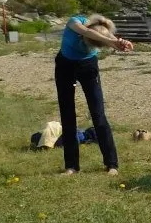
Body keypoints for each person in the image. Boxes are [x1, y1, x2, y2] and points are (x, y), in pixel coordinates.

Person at [55, 13, 133, 175]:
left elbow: (114, 40)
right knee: (67, 114)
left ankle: (112, 165)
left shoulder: (103, 33)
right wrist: (111, 41)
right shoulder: (75, 22)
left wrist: (121, 43)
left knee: (98, 114)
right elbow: (87, 32)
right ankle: (71, 166)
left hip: (88, 66)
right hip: (65, 66)